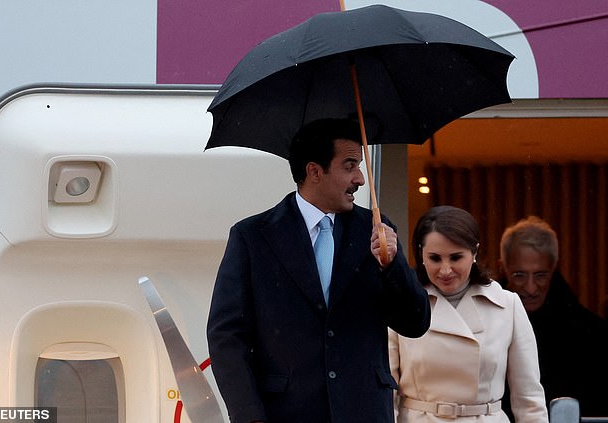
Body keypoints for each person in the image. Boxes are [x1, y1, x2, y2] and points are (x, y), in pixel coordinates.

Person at [206, 118, 431, 423]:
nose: (361, 179)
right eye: (349, 165)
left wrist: (393, 267)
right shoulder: (252, 236)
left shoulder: (376, 230)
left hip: (364, 411)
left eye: (360, 165)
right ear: (314, 171)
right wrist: (249, 415)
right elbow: (227, 335)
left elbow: (415, 322)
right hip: (284, 414)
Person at [389, 205, 548, 423]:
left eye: (456, 258)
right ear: (421, 255)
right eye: (435, 258)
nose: (445, 270)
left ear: (474, 253)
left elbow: (529, 399)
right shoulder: (401, 302)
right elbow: (386, 394)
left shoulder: (507, 305)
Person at [498, 216, 608, 417]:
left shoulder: (592, 335)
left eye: (540, 275)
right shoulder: (485, 327)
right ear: (503, 268)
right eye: (519, 275)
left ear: (554, 268)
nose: (531, 288)